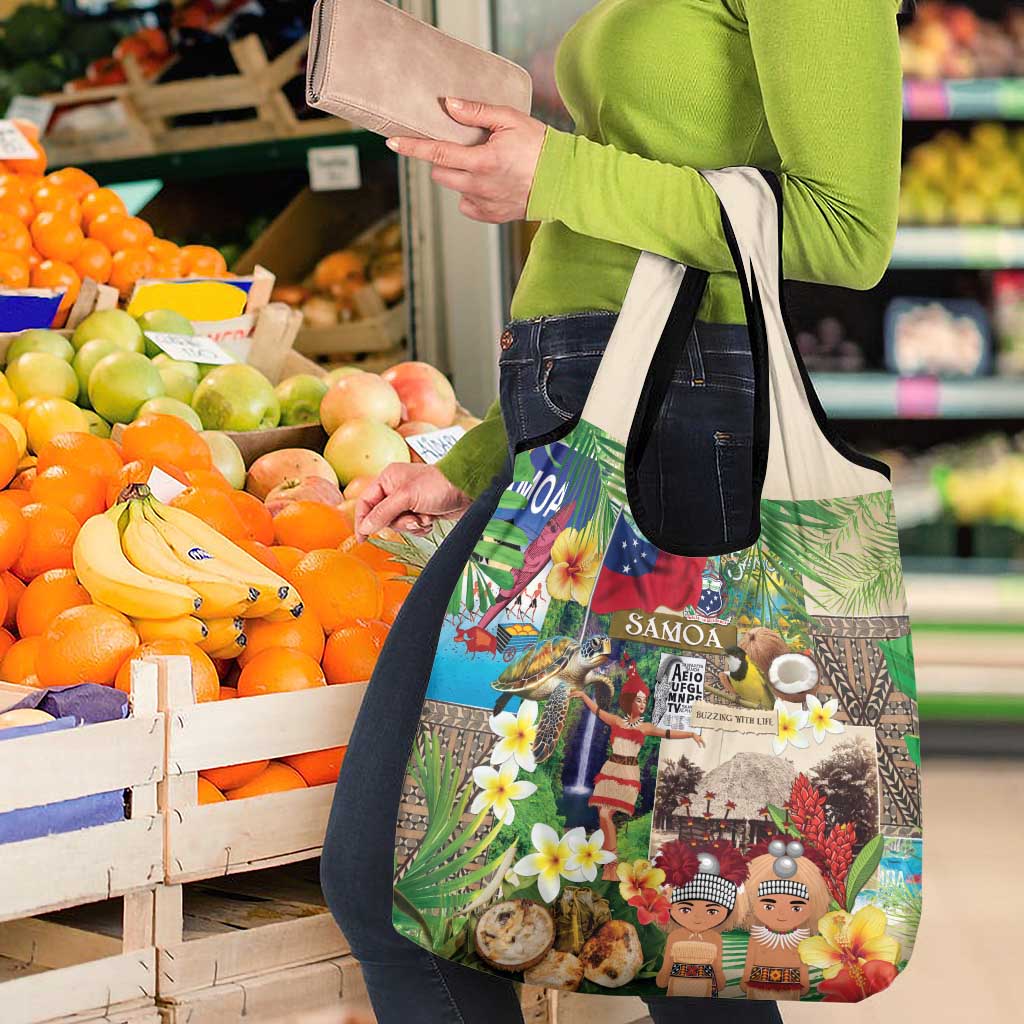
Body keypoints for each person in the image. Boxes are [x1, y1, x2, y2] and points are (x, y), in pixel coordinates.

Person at [321, 2, 906, 1021]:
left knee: (673, 927)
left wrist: (556, 172)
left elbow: (847, 230)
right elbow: (624, 246)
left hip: (681, 442)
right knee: (656, 924)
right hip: (585, 436)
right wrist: (478, 458)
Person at [575, 663, 704, 880]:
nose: (643, 704)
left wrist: (691, 734)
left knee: (606, 814)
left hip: (627, 774)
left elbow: (668, 733)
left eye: (645, 700)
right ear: (629, 701)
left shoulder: (645, 728)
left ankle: (611, 866)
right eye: (639, 699)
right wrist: (582, 695)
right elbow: (598, 711)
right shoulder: (617, 721)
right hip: (609, 770)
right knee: (602, 816)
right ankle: (609, 866)